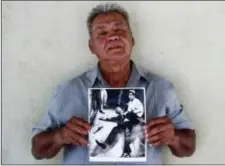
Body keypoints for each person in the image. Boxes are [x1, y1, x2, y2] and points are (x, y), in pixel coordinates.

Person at [31, 3, 196, 165]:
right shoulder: (69, 91)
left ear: (132, 39)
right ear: (91, 47)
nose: (113, 36)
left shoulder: (161, 88)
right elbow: (37, 150)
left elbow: (188, 148)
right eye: (102, 33)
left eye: (120, 30)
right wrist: (61, 136)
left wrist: (173, 137)